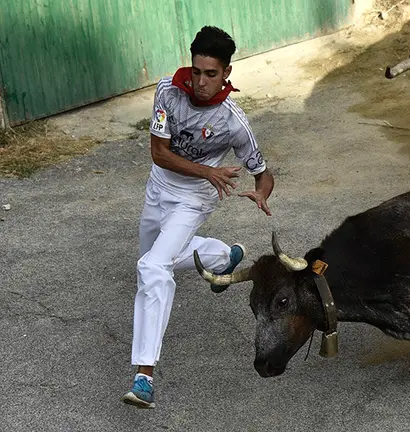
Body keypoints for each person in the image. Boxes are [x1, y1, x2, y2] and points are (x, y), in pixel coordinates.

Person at [121, 25, 274, 409]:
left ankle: (144, 377)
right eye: (197, 71)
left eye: (211, 74)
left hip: (194, 198)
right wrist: (208, 169)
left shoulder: (233, 120)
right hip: (160, 187)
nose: (201, 82)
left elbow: (263, 172)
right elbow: (158, 152)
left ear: (226, 74)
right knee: (154, 259)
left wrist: (261, 192)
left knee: (154, 267)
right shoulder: (167, 92)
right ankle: (223, 257)